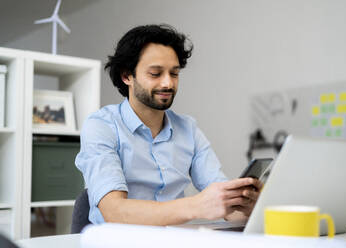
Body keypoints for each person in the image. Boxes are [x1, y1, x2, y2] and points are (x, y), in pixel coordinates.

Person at [75, 24, 262, 226]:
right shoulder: (101, 126)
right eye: (155, 74)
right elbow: (115, 211)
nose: (168, 84)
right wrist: (196, 206)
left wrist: (245, 206)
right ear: (126, 76)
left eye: (174, 74)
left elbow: (225, 205)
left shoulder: (188, 129)